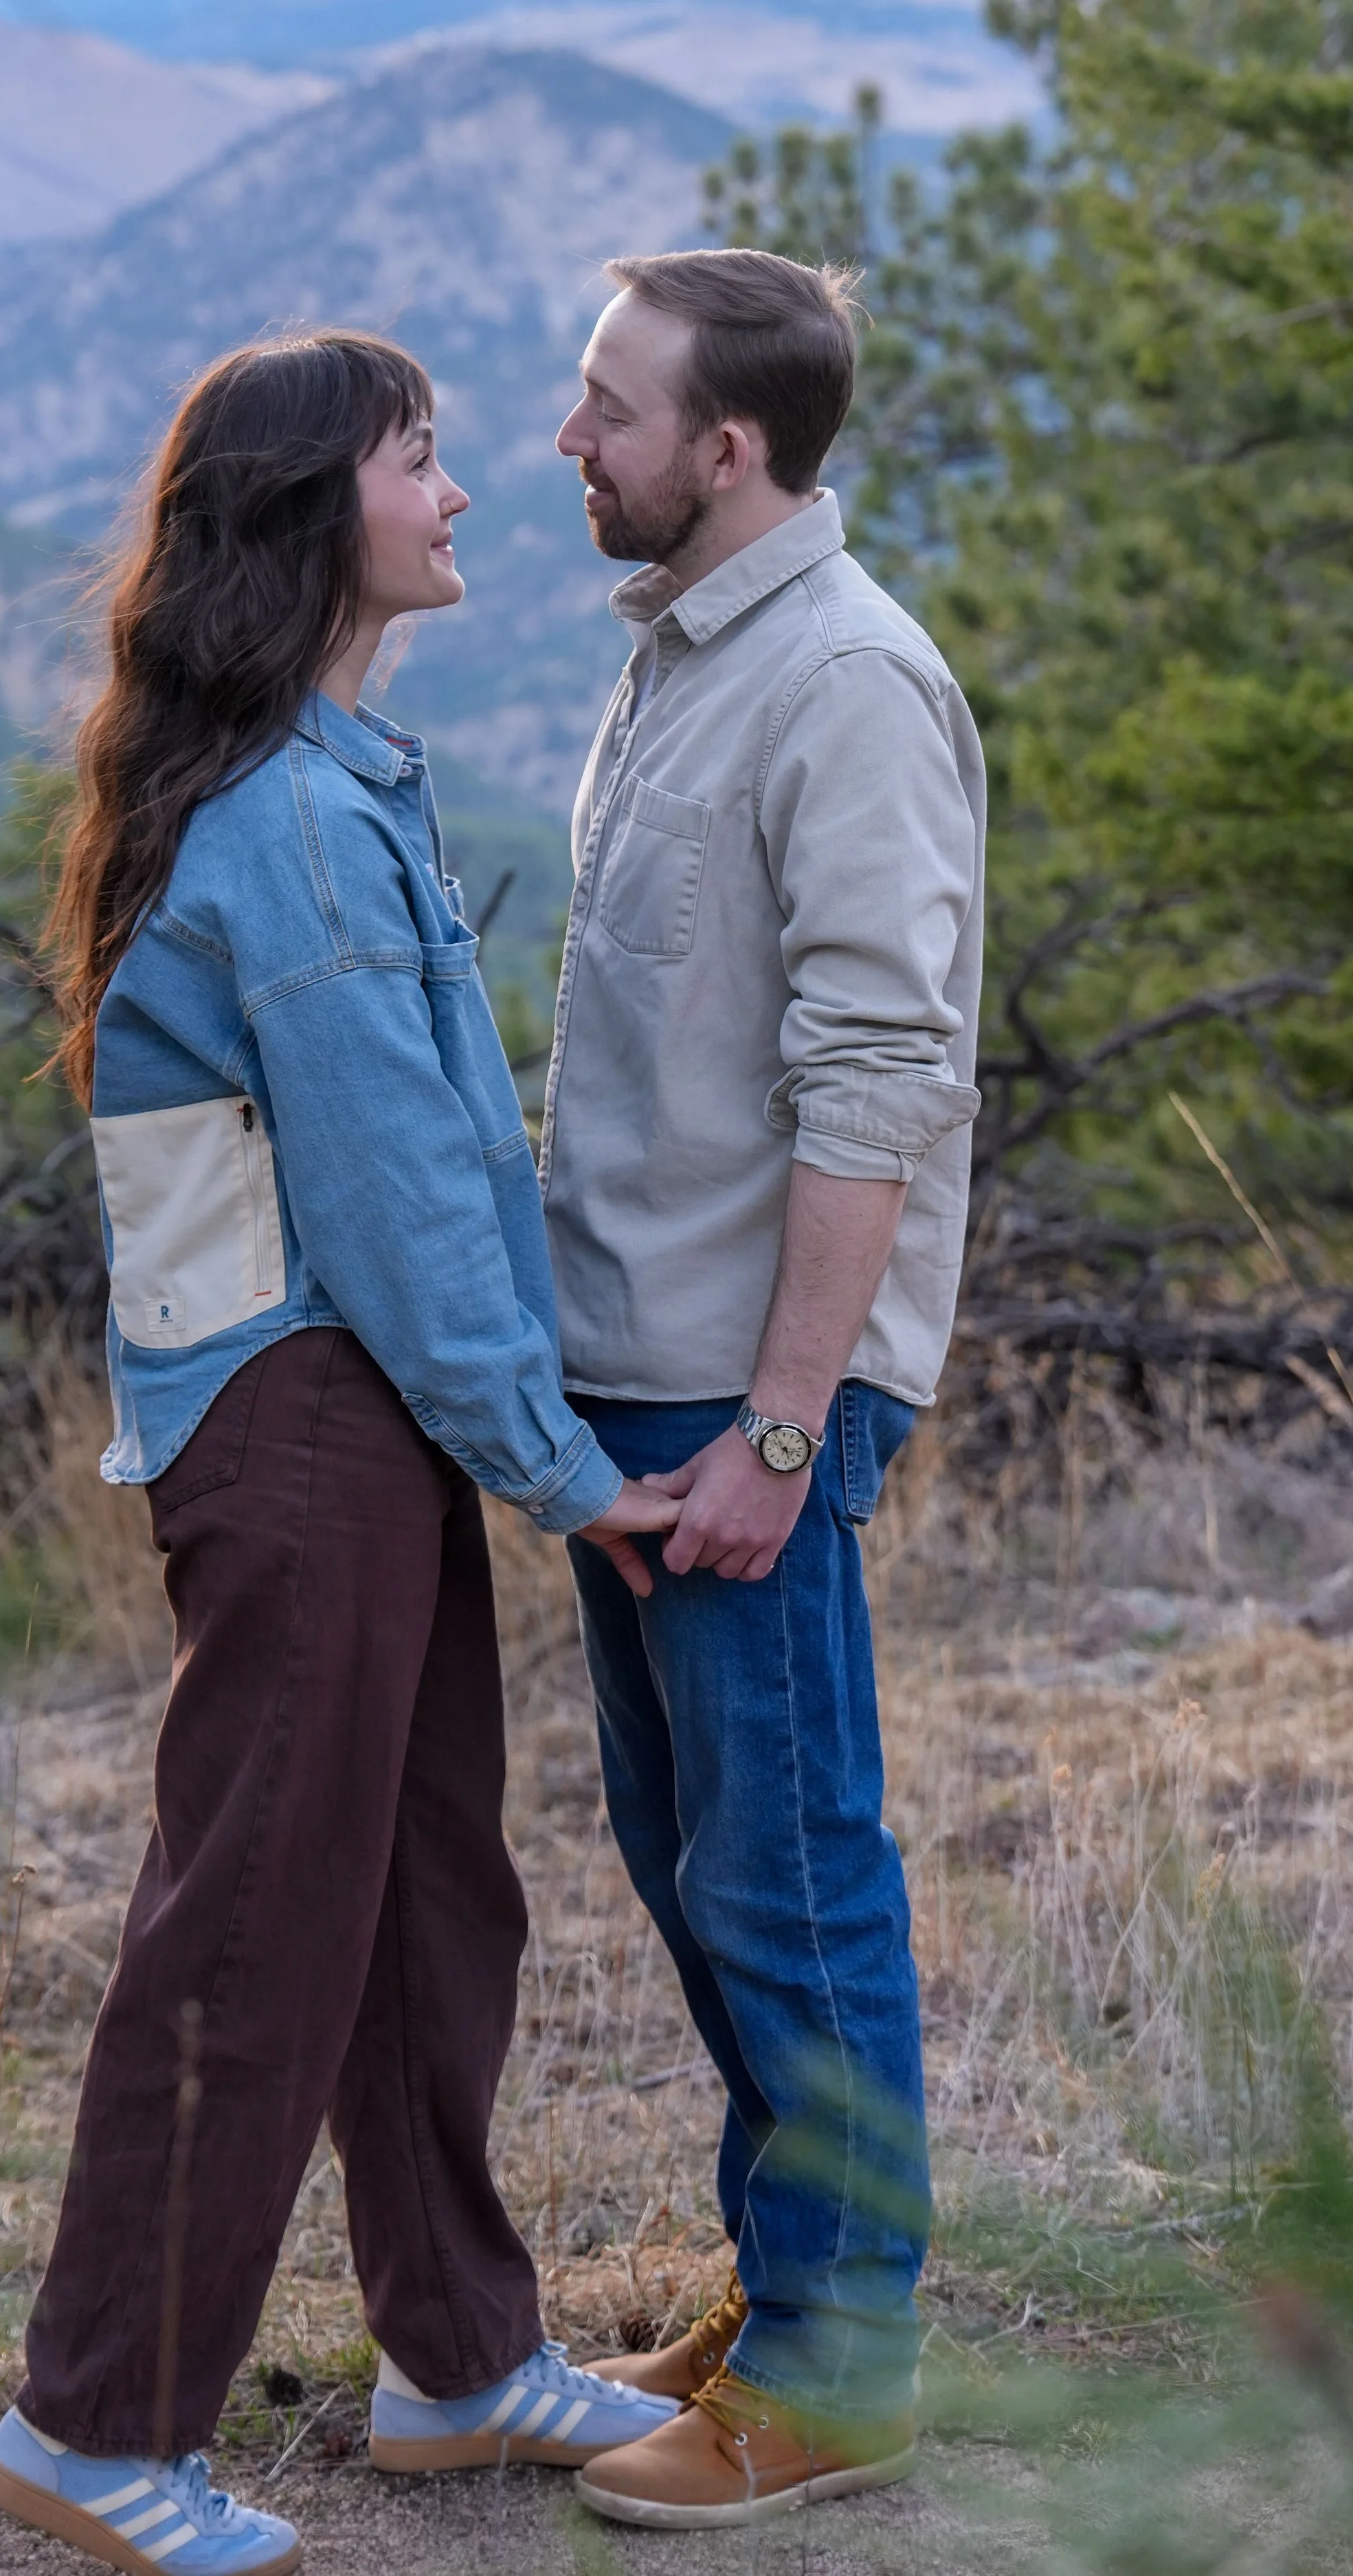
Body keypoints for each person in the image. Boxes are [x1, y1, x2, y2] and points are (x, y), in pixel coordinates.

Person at [0, 326, 679, 2576]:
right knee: (257, 1918)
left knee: (412, 1884)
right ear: (314, 509)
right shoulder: (287, 814)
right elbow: (383, 1190)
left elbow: (424, 1168)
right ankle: (90, 2424)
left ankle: (456, 2353)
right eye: (422, 459)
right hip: (299, 1411)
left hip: (344, 1409)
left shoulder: (329, 772)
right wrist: (557, 1461)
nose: (462, 493)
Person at [539, 249, 986, 2531]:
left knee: (793, 1879)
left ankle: (839, 2369)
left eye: (605, 404)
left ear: (727, 448)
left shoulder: (842, 683)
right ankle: (782, 2294)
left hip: (744, 1402)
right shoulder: (683, 652)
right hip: (635, 1394)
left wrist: (784, 1428)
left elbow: (874, 1078)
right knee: (700, 1870)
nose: (562, 435)